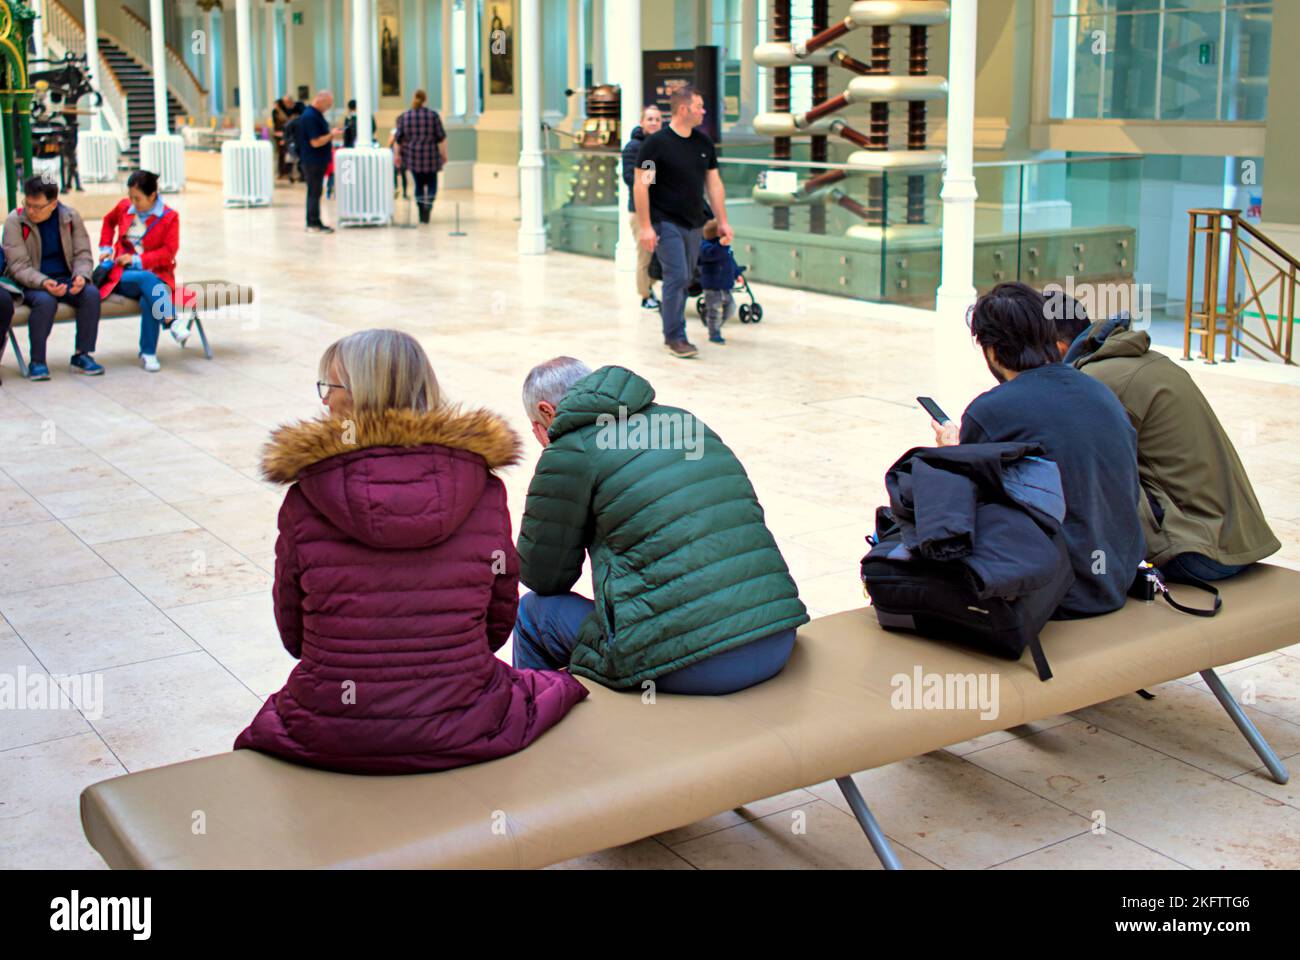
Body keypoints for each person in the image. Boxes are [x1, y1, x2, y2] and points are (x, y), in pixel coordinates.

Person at [234, 329, 587, 774]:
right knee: (558, 688)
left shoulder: (307, 496)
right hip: (466, 718)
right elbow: (498, 622)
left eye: (331, 388)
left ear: (361, 395)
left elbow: (294, 634)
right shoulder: (482, 486)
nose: (324, 402)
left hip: (334, 727)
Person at [514, 358, 809, 693]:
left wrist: (558, 468)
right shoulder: (682, 420)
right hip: (776, 635)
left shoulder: (569, 450)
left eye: (535, 427)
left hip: (698, 664)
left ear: (547, 412)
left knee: (533, 613)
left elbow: (543, 577)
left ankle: (534, 727)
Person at [930, 283, 1143, 617]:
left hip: (1058, 596)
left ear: (991, 350)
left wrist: (953, 452)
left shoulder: (990, 411)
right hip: (1116, 578)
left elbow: (960, 513)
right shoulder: (1100, 392)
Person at [1053, 298, 1280, 585]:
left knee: (1065, 475)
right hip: (1239, 544)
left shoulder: (1093, 381)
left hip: (1197, 554)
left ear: (1058, 348)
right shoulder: (1146, 361)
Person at [634, 85, 733, 359]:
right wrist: (645, 226)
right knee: (676, 276)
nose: (704, 111)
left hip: (694, 223)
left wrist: (722, 221)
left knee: (687, 277)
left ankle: (673, 327)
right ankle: (675, 336)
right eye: (699, 106)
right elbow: (642, 185)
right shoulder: (657, 145)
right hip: (665, 221)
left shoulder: (703, 144)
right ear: (683, 109)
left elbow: (713, 184)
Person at [1, 176, 102, 380]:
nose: (31, 211)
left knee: (90, 294)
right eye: (27, 204)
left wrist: (81, 276)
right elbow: (18, 265)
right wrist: (43, 282)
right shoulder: (16, 221)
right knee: (45, 302)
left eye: (37, 207)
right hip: (30, 283)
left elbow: (83, 254)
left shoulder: (70, 218)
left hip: (65, 278)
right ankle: (37, 361)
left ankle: (82, 354)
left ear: (53, 203)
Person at [96, 169, 191, 372]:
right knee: (147, 280)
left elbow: (168, 252)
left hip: (157, 276)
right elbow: (108, 221)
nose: (133, 202)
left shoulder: (169, 217)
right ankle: (172, 321)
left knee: (149, 298)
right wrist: (105, 248)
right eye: (130, 197)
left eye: (137, 198)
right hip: (121, 275)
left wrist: (137, 259)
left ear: (153, 196)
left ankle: (148, 353)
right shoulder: (124, 208)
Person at [620, 104, 662, 310]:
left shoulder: (660, 145)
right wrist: (653, 175)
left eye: (657, 120)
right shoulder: (634, 147)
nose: (654, 123)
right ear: (642, 122)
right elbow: (631, 178)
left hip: (658, 210)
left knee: (657, 254)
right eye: (650, 119)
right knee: (644, 255)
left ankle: (650, 288)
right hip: (640, 211)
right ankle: (645, 295)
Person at [392, 90, 448, 224]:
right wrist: (444, 154)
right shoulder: (433, 116)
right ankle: (428, 204)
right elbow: (441, 138)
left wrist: (397, 155)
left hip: (414, 156)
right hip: (430, 156)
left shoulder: (405, 117)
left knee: (418, 184)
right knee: (432, 183)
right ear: (425, 99)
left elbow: (398, 139)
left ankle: (421, 209)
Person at [296, 90, 342, 234]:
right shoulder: (310, 116)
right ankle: (312, 223)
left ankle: (315, 221)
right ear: (320, 100)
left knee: (315, 192)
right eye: (327, 105)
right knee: (314, 192)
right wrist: (332, 135)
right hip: (312, 160)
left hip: (316, 160)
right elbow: (315, 142)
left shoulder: (315, 115)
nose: (328, 108)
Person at [698, 218, 740, 344]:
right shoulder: (705, 246)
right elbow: (712, 255)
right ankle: (714, 333)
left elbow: (731, 261)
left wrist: (737, 273)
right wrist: (721, 245)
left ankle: (715, 324)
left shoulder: (726, 248)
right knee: (714, 311)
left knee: (730, 308)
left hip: (726, 285)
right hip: (712, 287)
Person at [271, 94, 303, 182]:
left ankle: (290, 173)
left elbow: (288, 121)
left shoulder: (295, 109)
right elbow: (280, 122)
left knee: (290, 154)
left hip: (289, 136)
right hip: (281, 135)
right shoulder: (276, 112)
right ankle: (283, 173)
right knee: (282, 154)